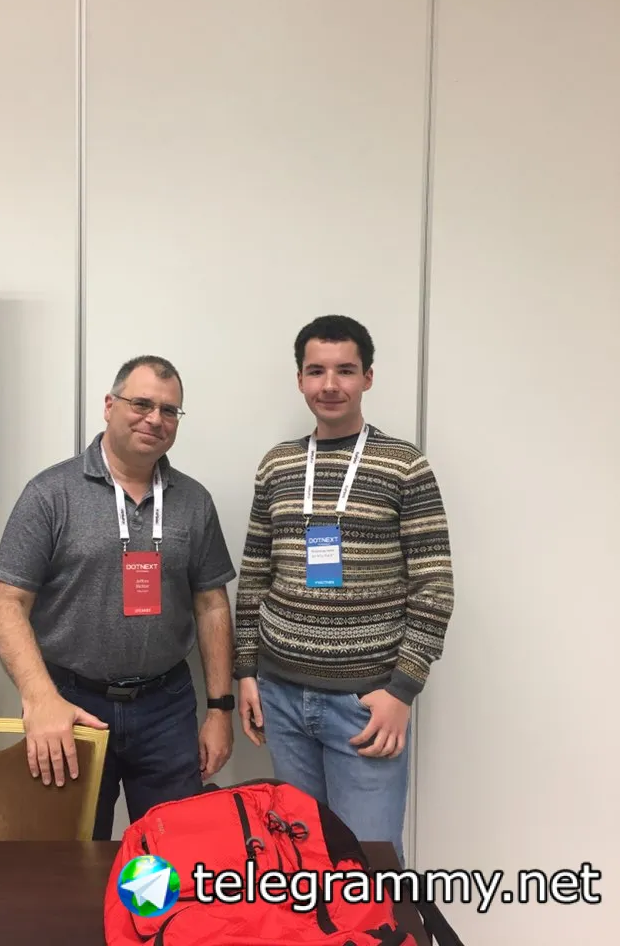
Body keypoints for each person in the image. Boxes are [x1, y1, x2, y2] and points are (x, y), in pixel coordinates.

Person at [234, 315, 454, 863]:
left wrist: (401, 690)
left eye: (345, 371)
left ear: (368, 378)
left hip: (366, 705)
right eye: (316, 371)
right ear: (300, 379)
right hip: (282, 696)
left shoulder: (404, 465)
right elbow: (255, 573)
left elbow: (434, 585)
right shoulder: (277, 465)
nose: (329, 385)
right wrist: (247, 671)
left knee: (369, 864)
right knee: (302, 859)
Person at [0, 355, 237, 839]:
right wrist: (40, 699)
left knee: (170, 853)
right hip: (74, 706)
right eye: (141, 404)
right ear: (109, 406)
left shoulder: (193, 501)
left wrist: (219, 710)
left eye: (169, 411)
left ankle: (151, 898)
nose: (155, 419)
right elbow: (7, 603)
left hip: (166, 708)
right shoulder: (50, 494)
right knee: (73, 852)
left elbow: (212, 605)